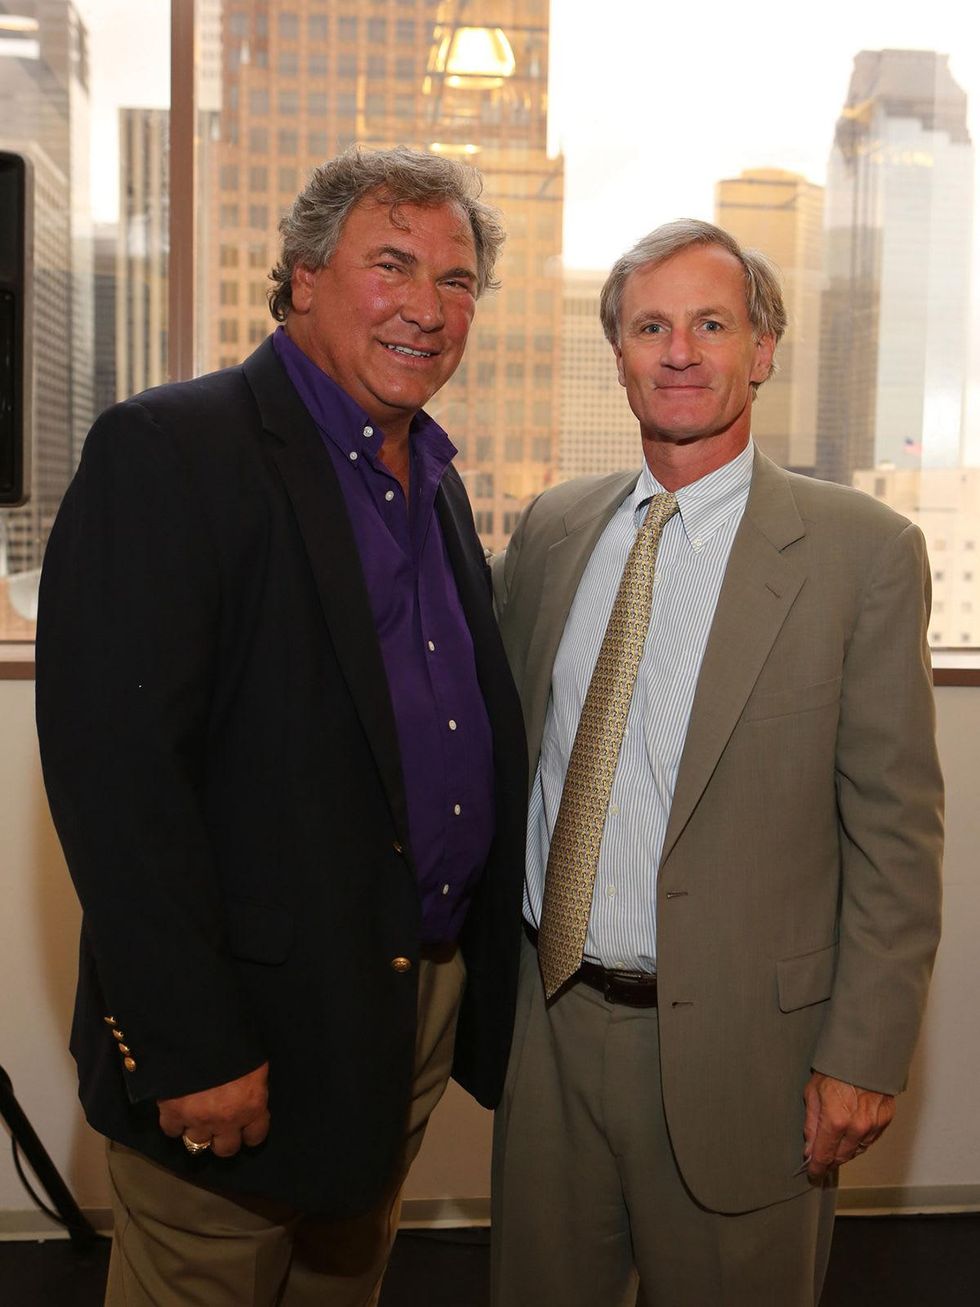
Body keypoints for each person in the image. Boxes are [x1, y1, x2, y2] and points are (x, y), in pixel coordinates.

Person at [35, 145, 527, 1307]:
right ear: (304, 275)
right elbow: (119, 785)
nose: (426, 306)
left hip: (402, 1000)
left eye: (455, 280)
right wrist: (192, 1043)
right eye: (391, 264)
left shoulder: (434, 481)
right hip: (244, 1022)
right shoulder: (170, 451)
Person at [490, 219, 943, 1307]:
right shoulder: (552, 531)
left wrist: (863, 1053)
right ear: (618, 354)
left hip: (751, 1057)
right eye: (651, 327)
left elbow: (895, 835)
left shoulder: (862, 553)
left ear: (763, 348)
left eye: (711, 324)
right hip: (549, 1030)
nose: (680, 352)